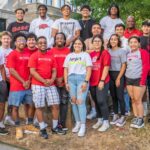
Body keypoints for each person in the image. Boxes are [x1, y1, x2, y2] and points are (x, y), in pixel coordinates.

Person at [28, 36, 66, 139]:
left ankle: (55, 127)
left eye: (44, 42)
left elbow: (54, 70)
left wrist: (52, 79)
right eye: (40, 43)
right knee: (39, 107)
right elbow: (32, 71)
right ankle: (42, 129)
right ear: (37, 45)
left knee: (55, 105)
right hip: (38, 84)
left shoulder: (51, 56)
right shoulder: (34, 56)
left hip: (50, 84)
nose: (43, 44)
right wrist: (43, 80)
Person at [64, 38, 92, 137]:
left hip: (81, 79)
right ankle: (78, 122)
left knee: (80, 101)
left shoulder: (85, 55)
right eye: (75, 43)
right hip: (71, 80)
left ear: (82, 45)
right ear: (73, 45)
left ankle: (83, 125)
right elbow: (66, 70)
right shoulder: (69, 56)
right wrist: (66, 82)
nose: (77, 45)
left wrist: (86, 81)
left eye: (79, 43)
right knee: (74, 101)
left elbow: (89, 69)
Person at [7, 33, 32, 126]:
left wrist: (28, 81)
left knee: (30, 104)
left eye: (23, 40)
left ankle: (29, 123)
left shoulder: (28, 53)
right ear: (15, 43)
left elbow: (31, 68)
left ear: (26, 42)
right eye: (19, 40)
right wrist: (23, 81)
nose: (21, 42)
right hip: (16, 86)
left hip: (28, 85)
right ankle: (17, 124)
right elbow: (12, 70)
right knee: (15, 107)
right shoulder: (12, 54)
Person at [125, 36, 149, 128]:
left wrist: (142, 81)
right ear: (129, 44)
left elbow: (146, 67)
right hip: (129, 79)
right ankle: (135, 116)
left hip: (138, 79)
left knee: (138, 100)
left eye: (135, 42)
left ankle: (141, 119)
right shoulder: (128, 53)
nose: (133, 44)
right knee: (133, 99)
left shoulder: (143, 52)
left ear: (139, 43)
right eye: (131, 42)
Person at [90, 35, 111, 132]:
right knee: (96, 101)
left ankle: (106, 122)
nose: (97, 43)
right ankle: (100, 119)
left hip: (102, 81)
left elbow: (106, 67)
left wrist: (102, 81)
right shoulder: (91, 54)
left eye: (99, 41)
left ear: (102, 43)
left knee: (101, 101)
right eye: (95, 41)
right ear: (92, 43)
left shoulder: (105, 53)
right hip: (92, 82)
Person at [50, 32, 70, 130]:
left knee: (64, 102)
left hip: (65, 80)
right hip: (53, 82)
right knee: (55, 103)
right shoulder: (51, 51)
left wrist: (62, 77)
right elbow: (49, 66)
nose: (59, 40)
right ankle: (56, 123)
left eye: (61, 38)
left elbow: (70, 66)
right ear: (54, 40)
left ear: (65, 40)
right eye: (57, 38)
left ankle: (62, 123)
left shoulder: (68, 51)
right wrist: (56, 78)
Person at [108, 34, 126, 127]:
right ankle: (115, 114)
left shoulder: (122, 51)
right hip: (110, 74)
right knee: (113, 96)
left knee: (120, 96)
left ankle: (122, 116)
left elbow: (124, 65)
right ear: (109, 41)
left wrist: (118, 78)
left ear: (118, 41)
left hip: (119, 74)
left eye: (115, 39)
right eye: (112, 39)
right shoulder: (108, 51)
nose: (113, 41)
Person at [115, 24, 131, 115]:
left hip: (125, 67)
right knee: (117, 89)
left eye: (121, 29)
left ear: (124, 30)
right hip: (115, 68)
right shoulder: (113, 40)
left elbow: (130, 53)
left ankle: (126, 109)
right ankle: (118, 109)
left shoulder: (127, 41)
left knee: (124, 89)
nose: (119, 31)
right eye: (117, 29)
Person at [0, 31, 15, 126]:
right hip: (2, 79)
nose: (6, 40)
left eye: (8, 38)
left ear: (11, 40)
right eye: (4, 38)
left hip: (12, 79)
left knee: (11, 99)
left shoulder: (13, 52)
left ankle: (8, 117)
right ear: (1, 39)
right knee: (1, 101)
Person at [24, 33, 38, 124]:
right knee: (26, 101)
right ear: (26, 42)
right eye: (29, 40)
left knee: (35, 100)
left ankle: (36, 118)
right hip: (25, 80)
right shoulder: (23, 50)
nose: (31, 41)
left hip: (36, 79)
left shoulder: (39, 50)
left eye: (33, 39)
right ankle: (27, 118)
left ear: (35, 41)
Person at [140, 20, 150, 117]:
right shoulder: (139, 39)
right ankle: (144, 108)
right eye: (145, 26)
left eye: (148, 26)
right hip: (142, 68)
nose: (146, 28)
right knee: (142, 89)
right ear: (142, 27)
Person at [0, 50, 9, 135]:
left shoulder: (0, 52)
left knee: (2, 104)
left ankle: (0, 124)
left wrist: (3, 81)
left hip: (0, 82)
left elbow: (2, 67)